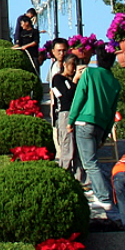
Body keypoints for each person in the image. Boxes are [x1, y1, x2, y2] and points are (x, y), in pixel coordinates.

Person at [68, 46, 121, 214]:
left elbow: (79, 97)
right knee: (93, 160)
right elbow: (112, 111)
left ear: (97, 59)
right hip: (100, 124)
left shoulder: (89, 74)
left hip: (84, 121)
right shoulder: (114, 82)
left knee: (89, 162)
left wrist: (71, 119)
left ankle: (104, 197)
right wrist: (105, 133)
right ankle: (98, 191)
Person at [51, 54, 86, 187]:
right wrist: (75, 80)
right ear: (65, 64)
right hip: (66, 114)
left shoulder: (77, 80)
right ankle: (63, 177)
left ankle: (80, 179)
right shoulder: (58, 79)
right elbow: (66, 96)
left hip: (79, 115)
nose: (74, 69)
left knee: (79, 148)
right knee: (68, 147)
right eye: (72, 65)